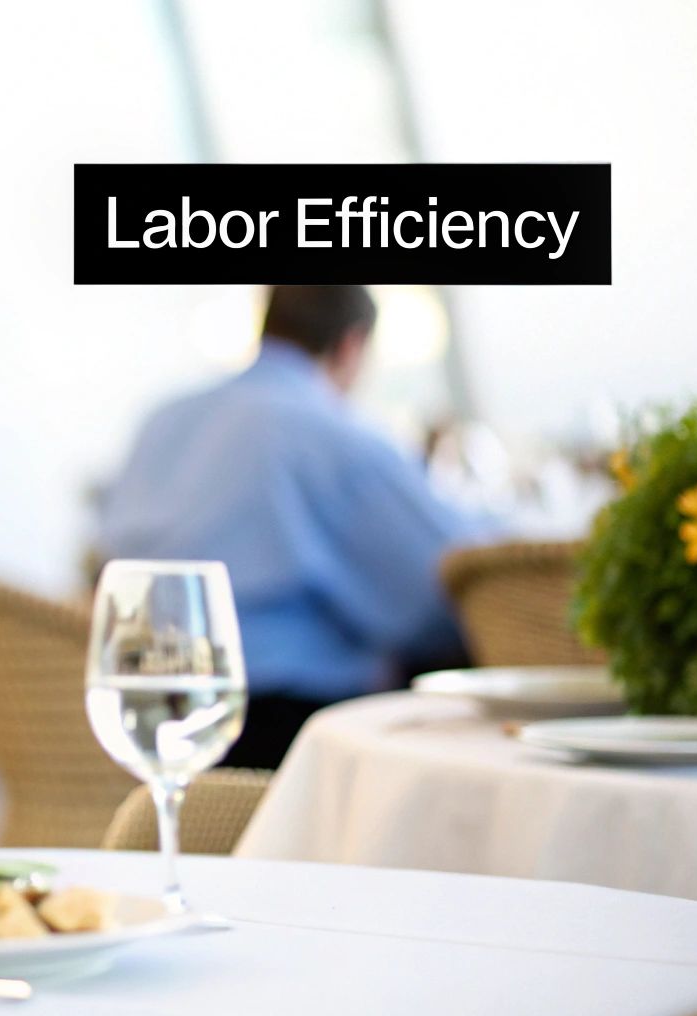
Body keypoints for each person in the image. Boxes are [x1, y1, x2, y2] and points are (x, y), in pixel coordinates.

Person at [96, 285, 494, 768]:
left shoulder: (162, 418)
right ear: (352, 345)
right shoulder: (335, 436)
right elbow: (441, 594)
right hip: (284, 729)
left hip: (148, 703)